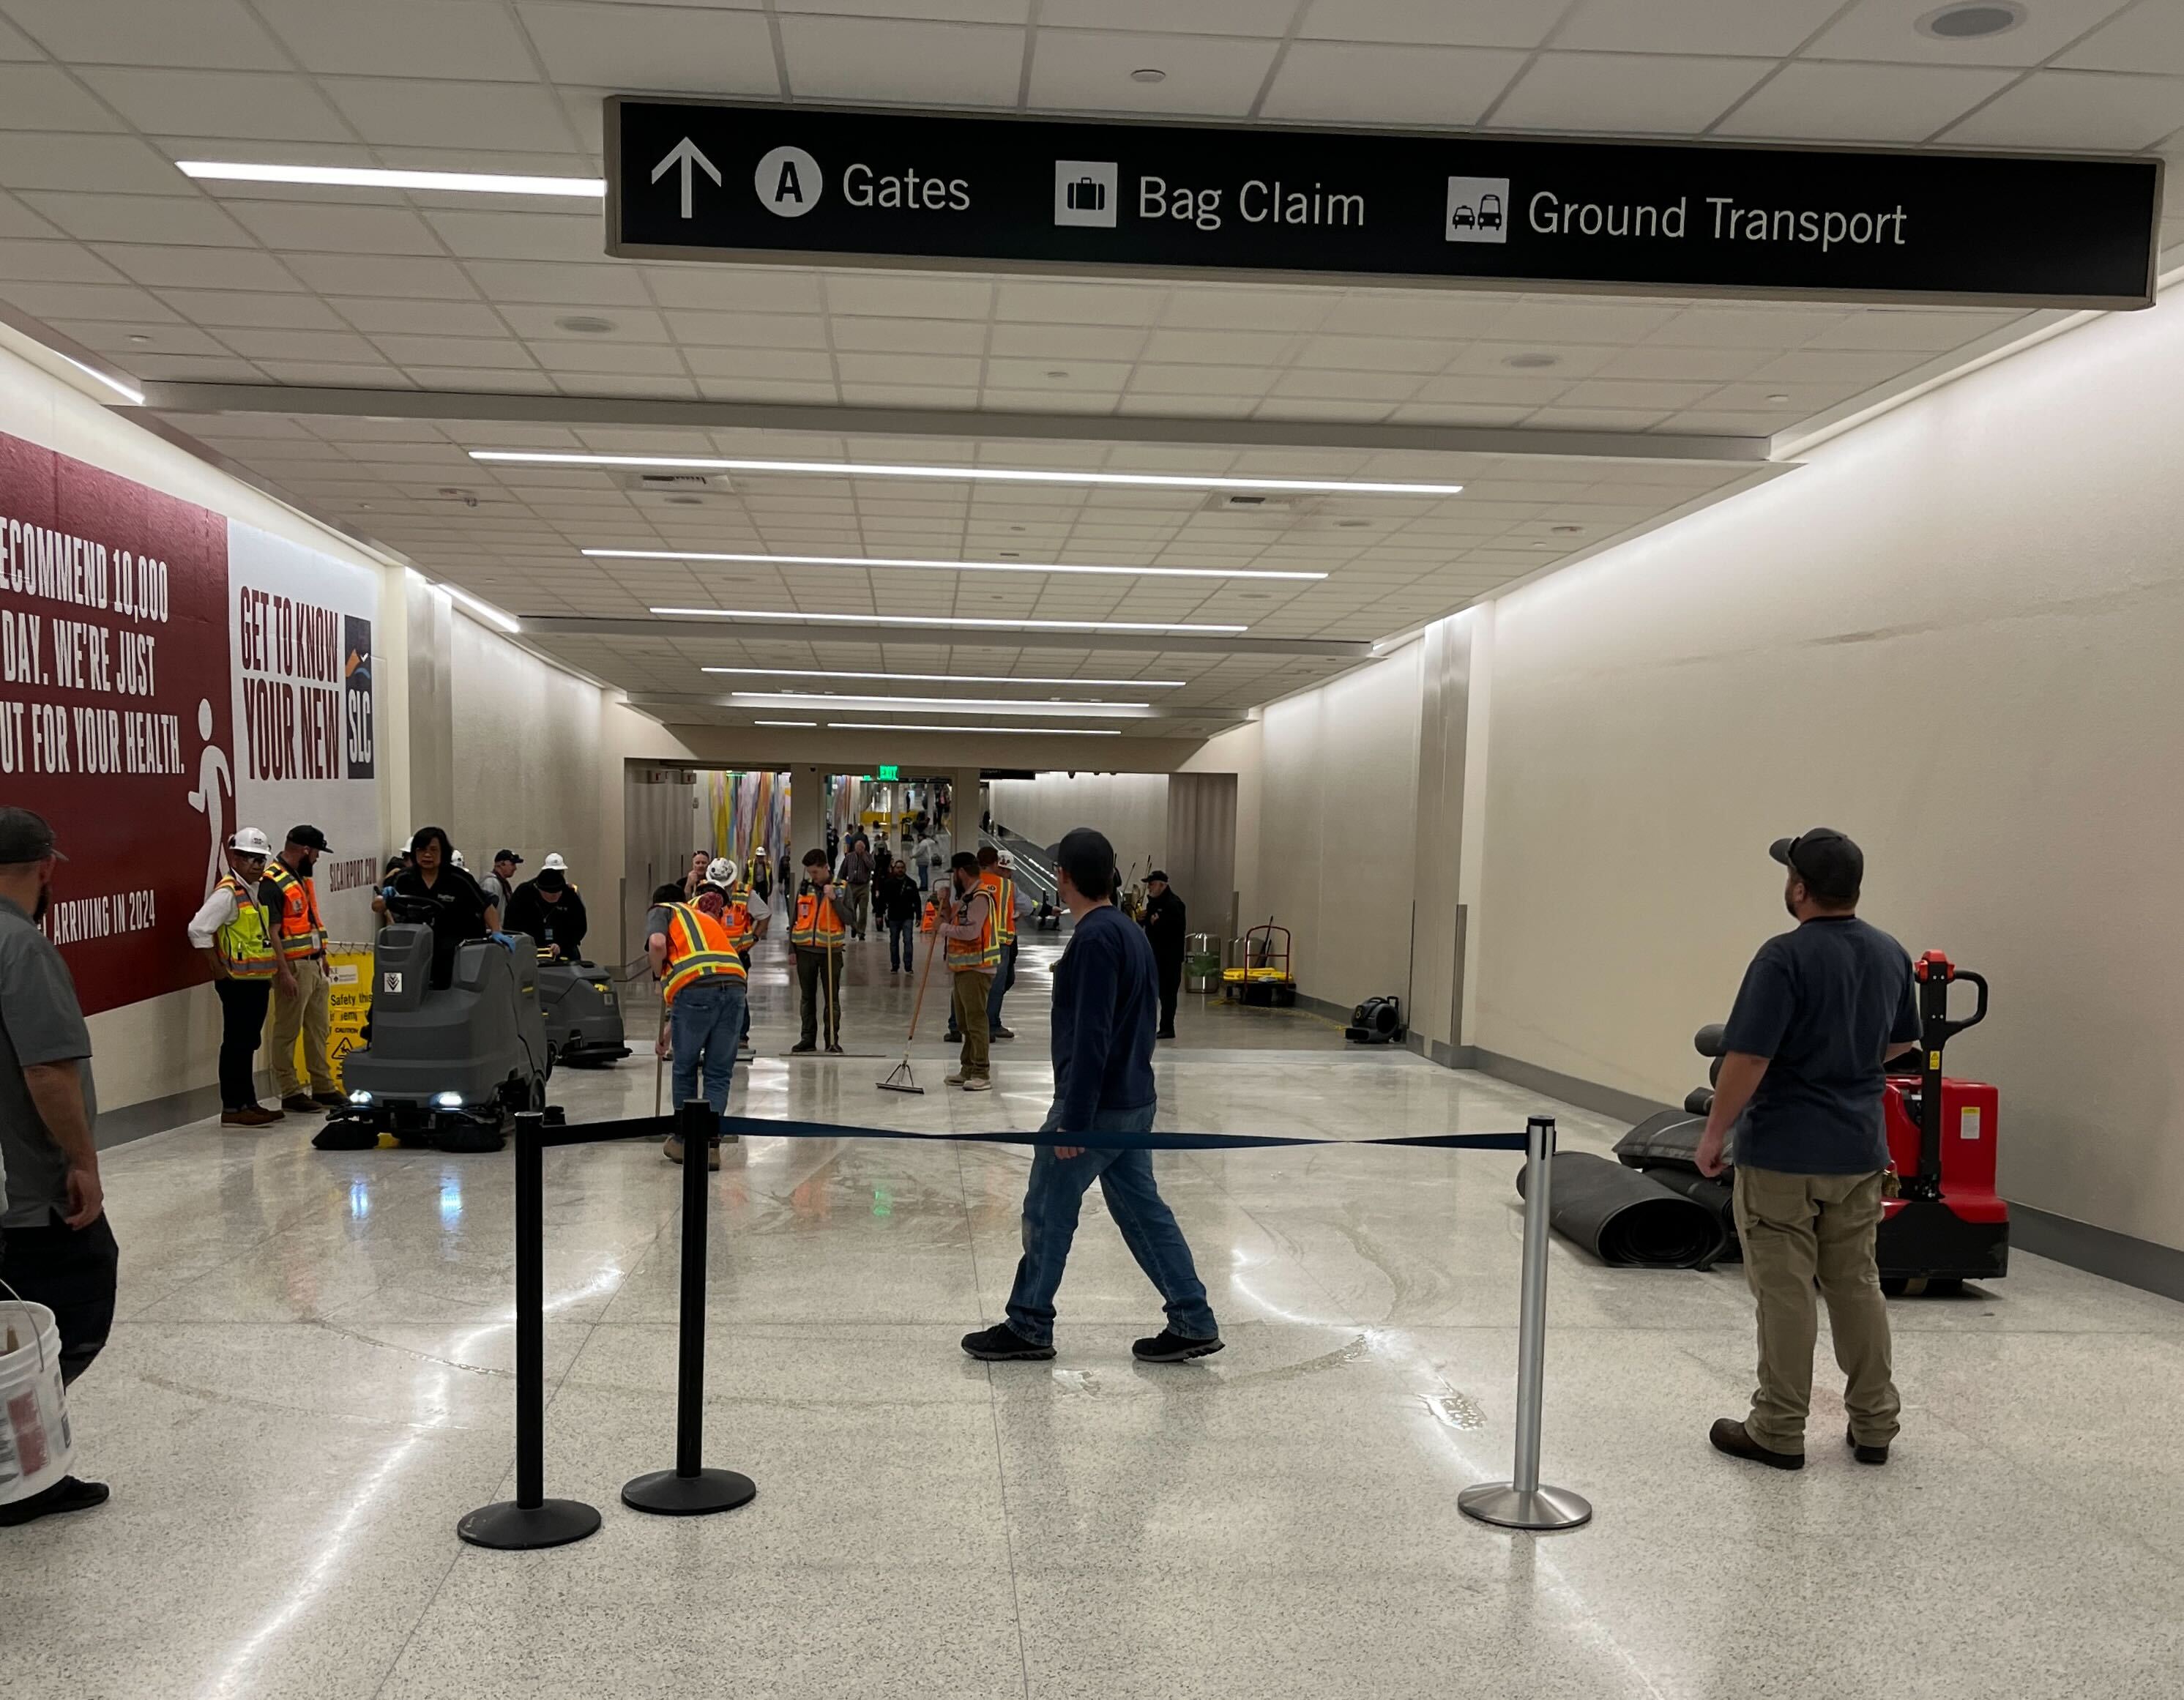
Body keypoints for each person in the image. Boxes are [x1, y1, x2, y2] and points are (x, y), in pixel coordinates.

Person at [1697, 828, 1918, 1472]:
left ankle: (1777, 1428)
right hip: (1858, 1151)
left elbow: (1747, 1057)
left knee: (1785, 1289)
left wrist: (1714, 1133)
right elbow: (1900, 1041)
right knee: (1856, 1283)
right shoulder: (1889, 952)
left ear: (1799, 889)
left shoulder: (1782, 957)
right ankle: (1874, 1424)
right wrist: (1846, 1060)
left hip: (1783, 1153)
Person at [961, 827, 1220, 1365]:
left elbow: (1092, 1034)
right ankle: (1192, 1318)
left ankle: (1029, 1323)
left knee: (1047, 1209)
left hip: (1096, 1106)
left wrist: (1075, 1119)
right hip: (1131, 1099)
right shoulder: (1126, 930)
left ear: (1063, 878)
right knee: (1143, 1212)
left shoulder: (1096, 939)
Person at [0, 808, 115, 1526]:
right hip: (27, 1195)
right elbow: (47, 1072)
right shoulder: (22, 948)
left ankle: (29, 1473)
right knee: (70, 1314)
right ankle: (22, 1481)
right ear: (46, 868)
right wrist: (83, 1163)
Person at [185, 826, 286, 1127]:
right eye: (250, 858)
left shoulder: (252, 889)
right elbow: (197, 929)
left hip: (255, 980)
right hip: (237, 982)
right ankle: (233, 1107)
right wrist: (216, 968)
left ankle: (248, 1102)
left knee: (248, 1043)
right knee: (236, 1045)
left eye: (261, 859)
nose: (257, 864)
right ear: (236, 859)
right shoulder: (228, 894)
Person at [646, 879, 748, 1168]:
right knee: (718, 1072)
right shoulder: (702, 918)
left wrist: (657, 975)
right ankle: (710, 1147)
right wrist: (669, 1032)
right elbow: (706, 971)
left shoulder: (662, 910)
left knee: (685, 1067)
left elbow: (657, 944)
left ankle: (684, 1141)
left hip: (696, 990)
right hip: (735, 987)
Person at [263, 824, 343, 1114]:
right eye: (317, 852)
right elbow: (272, 933)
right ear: (306, 850)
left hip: (314, 963)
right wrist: (284, 972)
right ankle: (290, 1090)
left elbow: (308, 922)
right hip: (294, 968)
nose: (318, 858)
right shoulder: (273, 882)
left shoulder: (299, 877)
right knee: (287, 1031)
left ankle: (323, 1086)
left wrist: (322, 955)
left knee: (318, 1029)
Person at [389, 826, 496, 988]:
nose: (427, 855)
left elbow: (486, 906)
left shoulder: (459, 878)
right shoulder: (404, 878)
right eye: (421, 850)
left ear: (443, 852)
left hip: (456, 944)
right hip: (417, 941)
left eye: (433, 850)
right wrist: (384, 898)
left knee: (444, 953)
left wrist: (496, 931)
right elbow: (380, 904)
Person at [936, 851, 998, 1092]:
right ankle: (968, 1068)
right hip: (963, 967)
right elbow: (951, 919)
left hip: (977, 968)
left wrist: (943, 929)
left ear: (961, 872)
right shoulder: (967, 898)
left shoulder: (980, 898)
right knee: (964, 1022)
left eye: (954, 873)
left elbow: (971, 932)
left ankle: (981, 1071)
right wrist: (943, 904)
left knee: (975, 1020)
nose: (953, 878)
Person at [703, 855, 769, 1056]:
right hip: (711, 955)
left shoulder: (745, 893)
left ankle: (741, 1037)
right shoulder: (703, 892)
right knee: (711, 995)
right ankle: (712, 1036)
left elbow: (764, 915)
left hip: (737, 955)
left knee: (737, 996)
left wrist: (754, 938)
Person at [789, 849, 851, 1054]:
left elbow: (851, 919)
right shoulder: (804, 887)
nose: (812, 876)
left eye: (815, 872)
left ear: (826, 867)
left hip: (830, 952)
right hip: (805, 950)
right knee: (807, 998)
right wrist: (791, 949)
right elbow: (794, 918)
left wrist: (834, 900)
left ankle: (832, 1039)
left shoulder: (841, 888)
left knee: (831, 998)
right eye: (810, 872)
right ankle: (807, 1039)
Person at [975, 846, 1032, 1041]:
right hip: (1000, 943)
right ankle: (990, 1025)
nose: (1009, 874)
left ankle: (959, 1025)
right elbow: (1027, 906)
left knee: (968, 983)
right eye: (1007, 870)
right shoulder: (1008, 887)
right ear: (995, 865)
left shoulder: (972, 882)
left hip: (974, 941)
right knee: (997, 984)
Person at [504, 854, 589, 961]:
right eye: (551, 895)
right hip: (529, 951)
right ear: (540, 890)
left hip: (564, 951)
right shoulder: (524, 893)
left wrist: (562, 945)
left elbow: (580, 926)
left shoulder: (570, 894)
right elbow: (511, 925)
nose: (555, 897)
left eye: (558, 893)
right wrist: (526, 945)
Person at [1138, 869, 1188, 1041]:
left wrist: (1157, 923)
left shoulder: (1174, 904)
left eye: (1152, 884)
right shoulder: (1154, 903)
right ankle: (1151, 1026)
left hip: (1170, 958)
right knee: (1155, 992)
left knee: (1168, 995)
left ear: (1162, 885)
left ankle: (1167, 1028)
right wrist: (1143, 920)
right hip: (1155, 956)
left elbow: (1175, 930)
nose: (1149, 888)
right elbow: (1149, 925)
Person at [878, 857, 921, 974]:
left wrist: (919, 916)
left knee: (908, 941)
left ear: (905, 869)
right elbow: (882, 900)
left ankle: (908, 966)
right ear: (894, 869)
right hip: (893, 917)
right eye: (898, 868)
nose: (900, 870)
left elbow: (917, 901)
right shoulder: (888, 883)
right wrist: (879, 914)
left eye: (902, 868)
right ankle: (895, 965)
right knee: (894, 942)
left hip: (908, 916)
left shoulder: (911, 883)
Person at [841, 835, 873, 940]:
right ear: (855, 848)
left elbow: (872, 867)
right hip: (852, 885)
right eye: (858, 848)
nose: (860, 850)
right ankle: (854, 927)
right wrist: (840, 884)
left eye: (862, 848)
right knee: (852, 909)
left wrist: (864, 857)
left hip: (864, 886)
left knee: (863, 910)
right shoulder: (849, 857)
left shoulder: (868, 856)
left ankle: (861, 932)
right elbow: (843, 870)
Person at [480, 849, 522, 917]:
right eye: (513, 864)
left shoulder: (502, 883)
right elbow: (487, 912)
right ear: (502, 864)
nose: (515, 868)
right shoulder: (490, 883)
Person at [913, 828, 936, 894]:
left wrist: (913, 856)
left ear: (922, 837)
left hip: (922, 861)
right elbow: (933, 842)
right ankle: (924, 886)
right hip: (924, 860)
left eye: (919, 836)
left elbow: (920, 852)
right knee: (924, 874)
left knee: (922, 874)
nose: (918, 838)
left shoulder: (923, 843)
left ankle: (923, 886)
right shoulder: (925, 842)